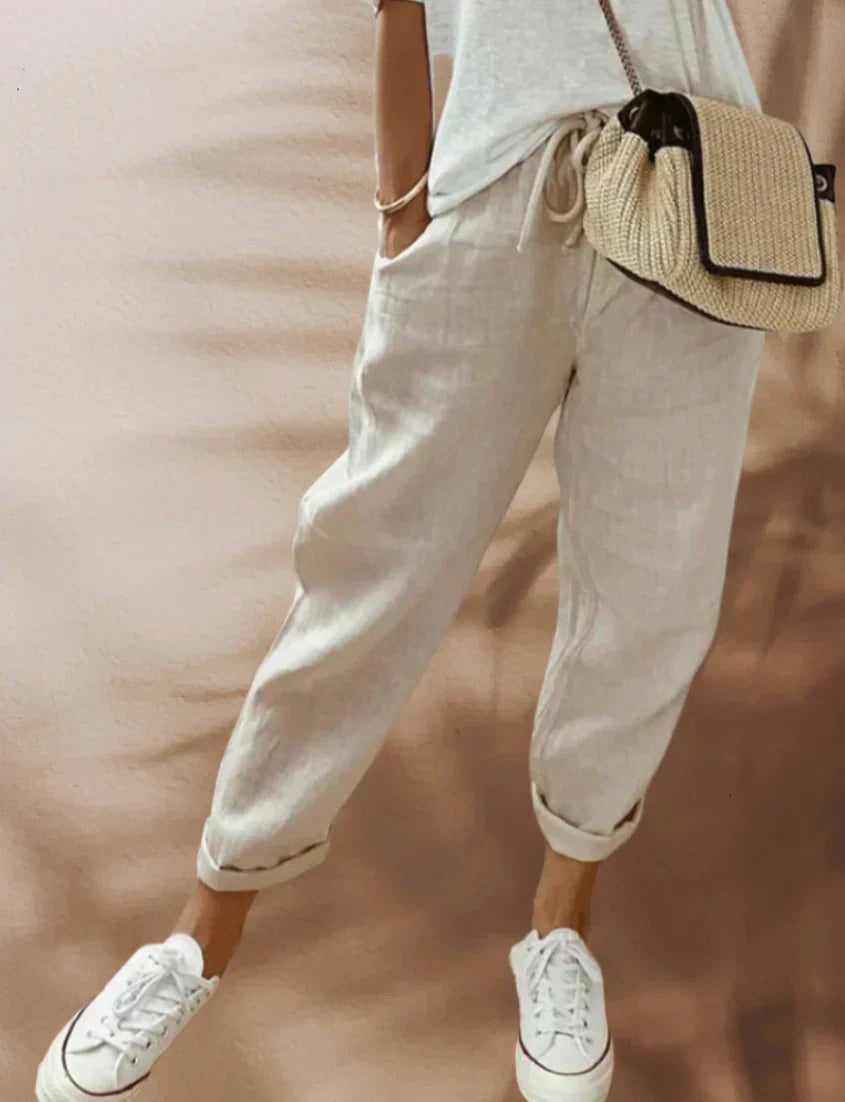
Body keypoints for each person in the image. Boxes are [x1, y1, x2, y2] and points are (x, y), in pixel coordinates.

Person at [35, 2, 765, 1101]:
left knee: (654, 590)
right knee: (370, 569)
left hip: (695, 182)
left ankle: (560, 930)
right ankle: (198, 935)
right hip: (496, 188)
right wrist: (402, 206)